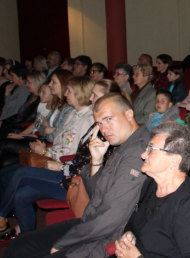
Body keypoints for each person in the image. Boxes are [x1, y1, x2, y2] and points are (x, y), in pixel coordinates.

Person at [0, 92, 150, 258]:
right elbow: (99, 194)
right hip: (90, 224)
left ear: (129, 114)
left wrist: (64, 243)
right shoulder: (122, 143)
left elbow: (110, 218)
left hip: (103, 241)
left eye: (109, 119)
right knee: (17, 249)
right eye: (100, 123)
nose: (104, 129)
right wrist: (96, 162)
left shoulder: (136, 153)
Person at [0, 78, 111, 239]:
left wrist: (53, 161)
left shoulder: (101, 126)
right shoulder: (92, 122)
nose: (90, 98)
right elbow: (78, 156)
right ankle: (26, 240)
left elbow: (86, 165)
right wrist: (48, 154)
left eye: (95, 95)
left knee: (21, 173)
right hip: (67, 170)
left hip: (77, 183)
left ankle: (1, 218)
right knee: (20, 195)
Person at [113, 122, 190, 258]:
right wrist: (128, 236)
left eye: (151, 149)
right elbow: (136, 221)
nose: (144, 155)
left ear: (174, 160)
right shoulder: (152, 184)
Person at [0, 76, 94, 205]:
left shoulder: (87, 119)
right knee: (9, 176)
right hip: (52, 156)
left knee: (19, 173)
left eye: (69, 91)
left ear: (79, 94)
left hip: (63, 169)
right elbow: (57, 141)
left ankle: (1, 217)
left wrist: (44, 152)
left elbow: (72, 153)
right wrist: (43, 148)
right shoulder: (74, 113)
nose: (65, 94)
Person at [0, 70, 45, 140]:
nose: (26, 85)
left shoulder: (40, 101)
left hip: (23, 130)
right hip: (17, 126)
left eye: (29, 82)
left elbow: (27, 121)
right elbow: (19, 114)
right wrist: (4, 122)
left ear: (37, 83)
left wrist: (4, 124)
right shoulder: (32, 97)